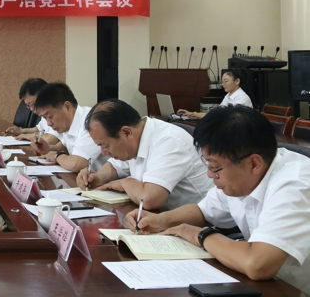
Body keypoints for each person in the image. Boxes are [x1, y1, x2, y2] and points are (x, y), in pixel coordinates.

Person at [126, 106, 310, 290]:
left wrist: (200, 235)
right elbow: (203, 211)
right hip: (271, 284)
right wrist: (159, 220)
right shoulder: (241, 176)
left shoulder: (295, 185)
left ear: (254, 163)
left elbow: (257, 264)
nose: (209, 175)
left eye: (214, 168)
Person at [77, 99, 212, 210]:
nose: (104, 152)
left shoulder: (169, 141)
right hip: (164, 217)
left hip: (201, 225)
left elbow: (149, 200)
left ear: (126, 132)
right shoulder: (135, 137)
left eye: (105, 145)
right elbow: (115, 166)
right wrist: (97, 177)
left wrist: (125, 183)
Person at [28, 82, 108, 172]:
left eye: (50, 116)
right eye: (45, 118)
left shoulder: (91, 122)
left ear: (67, 107)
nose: (48, 124)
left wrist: (57, 156)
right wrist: (48, 148)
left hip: (105, 179)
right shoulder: (69, 122)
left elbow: (76, 164)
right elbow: (66, 146)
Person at [178, 69, 252, 119]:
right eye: (222, 82)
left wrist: (195, 114)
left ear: (237, 81)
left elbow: (226, 118)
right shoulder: (228, 95)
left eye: (226, 81)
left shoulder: (242, 98)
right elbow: (216, 114)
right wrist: (192, 114)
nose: (223, 84)